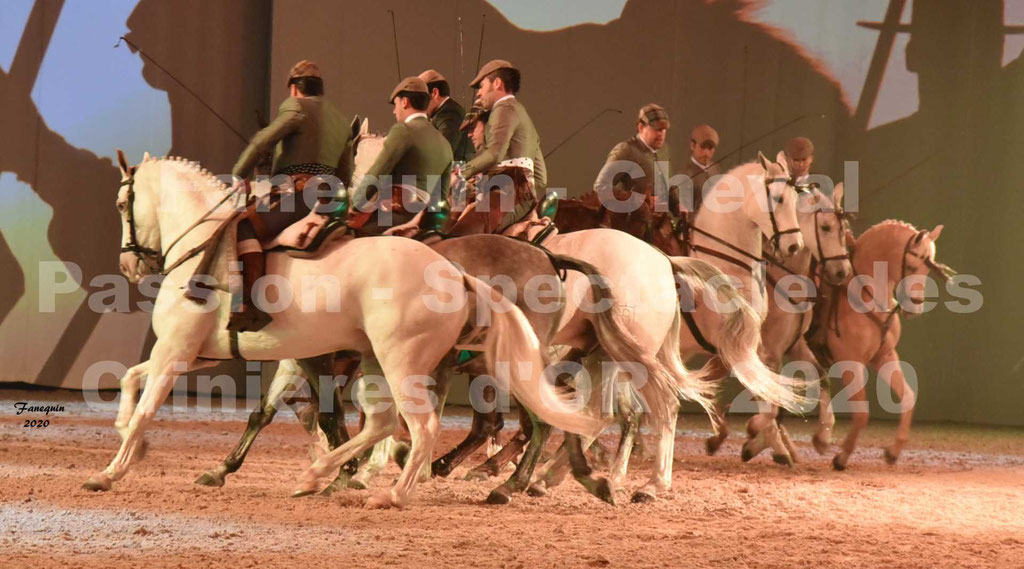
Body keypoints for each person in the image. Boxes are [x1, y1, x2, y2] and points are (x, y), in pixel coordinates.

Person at [229, 60, 354, 332]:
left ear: (295, 89)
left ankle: (250, 302)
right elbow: (346, 173)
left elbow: (263, 140)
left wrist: (239, 174)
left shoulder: (296, 106)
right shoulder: (341, 120)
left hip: (300, 198)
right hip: (332, 201)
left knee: (243, 225)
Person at [347, 76, 454, 236]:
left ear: (405, 102)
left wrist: (355, 205)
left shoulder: (403, 130)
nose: (394, 111)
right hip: (424, 222)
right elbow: (442, 196)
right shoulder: (445, 144)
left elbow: (377, 173)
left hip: (396, 216)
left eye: (396, 104)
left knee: (347, 236)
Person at [449, 60, 546, 235]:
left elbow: (494, 153)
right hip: (523, 196)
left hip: (508, 192)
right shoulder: (523, 115)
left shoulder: (503, 109)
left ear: (497, 83)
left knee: (457, 238)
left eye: (481, 86)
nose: (479, 93)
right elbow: (541, 177)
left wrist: (459, 174)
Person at [588, 103, 673, 241]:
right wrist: (640, 200)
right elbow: (600, 187)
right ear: (640, 127)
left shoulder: (664, 151)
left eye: (664, 130)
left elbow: (666, 185)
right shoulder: (626, 150)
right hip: (634, 231)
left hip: (660, 228)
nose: (661, 134)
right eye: (656, 129)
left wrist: (680, 205)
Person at [419, 69, 474, 161]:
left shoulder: (450, 112)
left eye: (421, 98)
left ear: (435, 93)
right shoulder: (444, 112)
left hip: (457, 171)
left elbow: (443, 151)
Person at [679, 124, 721, 215]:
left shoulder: (715, 168)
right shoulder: (686, 174)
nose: (706, 152)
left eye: (710, 148)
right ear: (692, 146)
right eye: (702, 147)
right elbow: (687, 214)